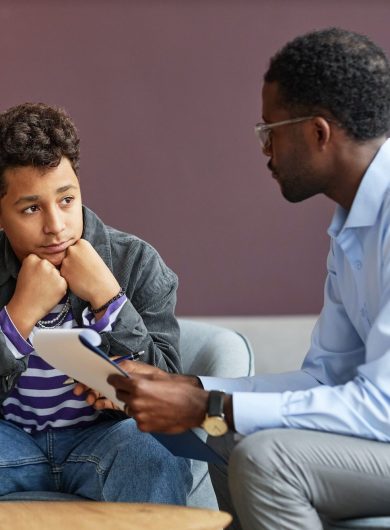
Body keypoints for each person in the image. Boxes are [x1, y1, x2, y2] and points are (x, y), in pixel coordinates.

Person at [107, 27, 390, 529]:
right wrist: (191, 386)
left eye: (270, 131)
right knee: (217, 433)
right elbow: (325, 378)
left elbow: (380, 408)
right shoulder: (351, 229)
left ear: (318, 133)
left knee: (266, 457)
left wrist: (208, 404)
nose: (265, 150)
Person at [0, 102, 191, 503]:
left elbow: (170, 388)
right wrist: (17, 317)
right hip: (10, 439)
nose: (56, 226)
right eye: (31, 208)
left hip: (106, 437)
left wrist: (109, 298)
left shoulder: (135, 262)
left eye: (66, 200)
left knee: (157, 451)